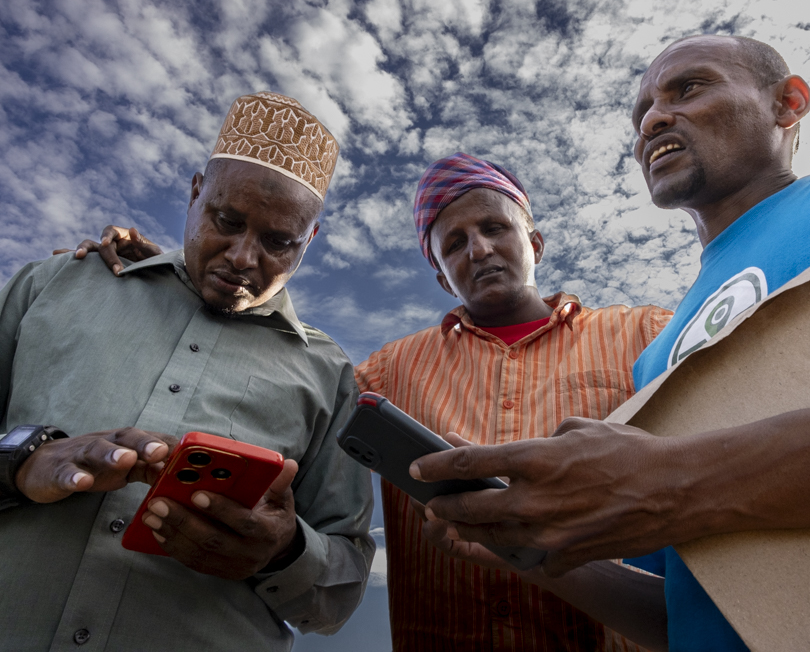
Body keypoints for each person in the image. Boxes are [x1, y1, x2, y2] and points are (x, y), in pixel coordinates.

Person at [408, 36, 810, 651]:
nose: (652, 120)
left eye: (688, 88)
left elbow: (677, 490)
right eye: (641, 112)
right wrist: (528, 552)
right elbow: (686, 613)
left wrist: (678, 479)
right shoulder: (660, 351)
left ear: (788, 103)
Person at [71, 152, 675, 651]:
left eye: (496, 229)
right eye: (455, 242)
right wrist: (171, 279)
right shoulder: (388, 369)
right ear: (440, 273)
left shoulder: (647, 336)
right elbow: (280, 369)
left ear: (534, 242)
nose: (480, 250)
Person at [0, 91, 374, 651]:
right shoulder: (59, 283)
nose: (243, 257)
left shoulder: (329, 375)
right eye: (226, 220)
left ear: (311, 241)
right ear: (195, 191)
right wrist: (17, 459)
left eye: (279, 242)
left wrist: (283, 551)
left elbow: (339, 587)